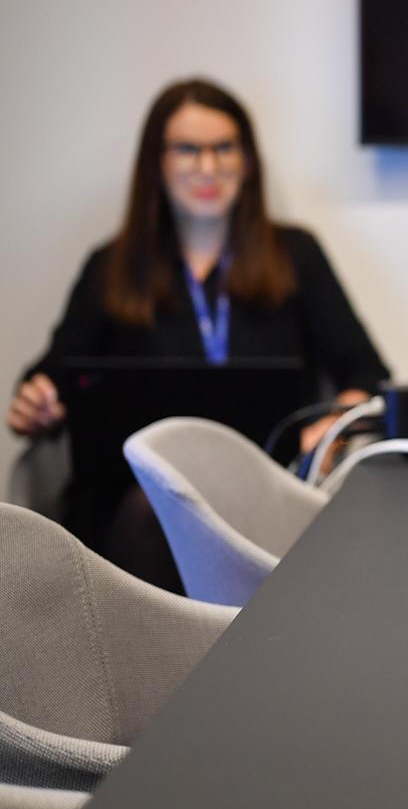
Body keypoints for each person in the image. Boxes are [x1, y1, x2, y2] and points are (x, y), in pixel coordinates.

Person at [9, 78, 388, 582]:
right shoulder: (113, 265)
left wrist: (336, 425)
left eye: (224, 148)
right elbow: (55, 374)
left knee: (208, 515)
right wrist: (37, 401)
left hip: (262, 487)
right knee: (155, 506)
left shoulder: (295, 255)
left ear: (247, 161)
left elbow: (367, 372)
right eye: (188, 149)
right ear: (157, 163)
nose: (208, 167)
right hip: (135, 493)